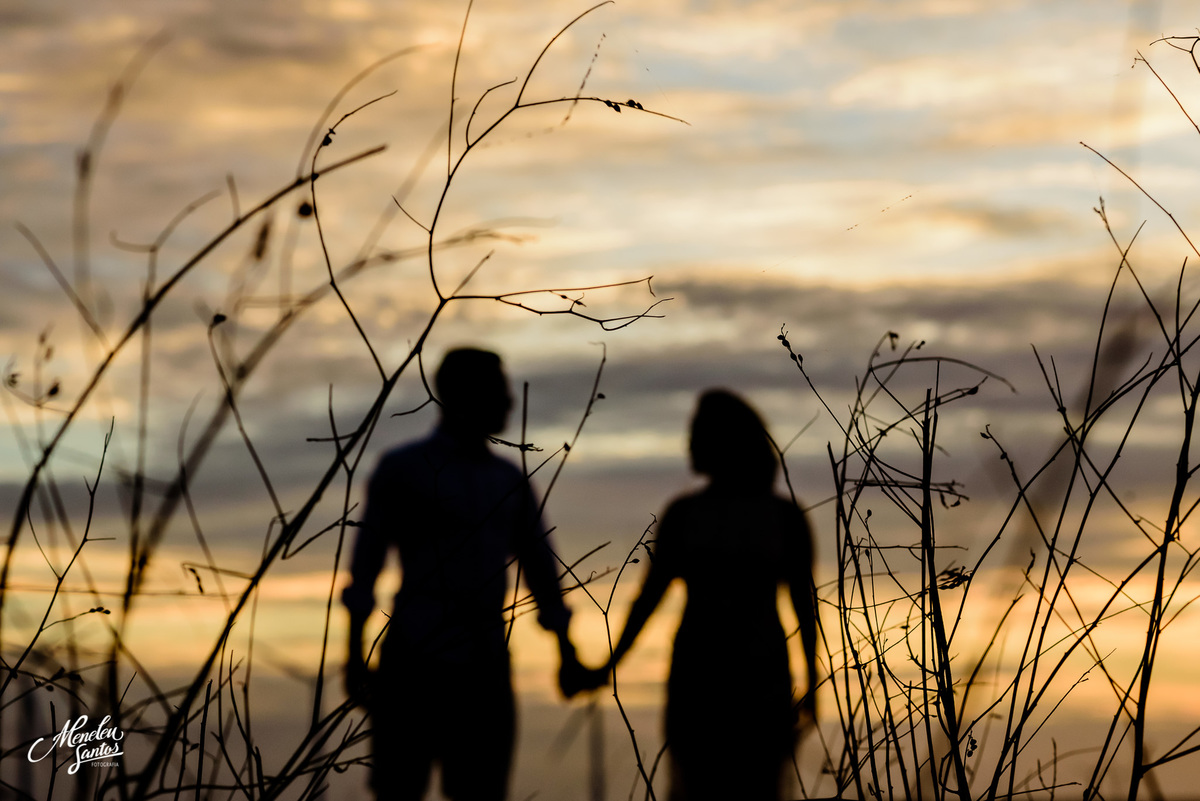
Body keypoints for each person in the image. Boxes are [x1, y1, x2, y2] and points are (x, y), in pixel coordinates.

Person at [342, 347, 586, 801]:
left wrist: (567, 652)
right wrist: (354, 654)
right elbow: (366, 564)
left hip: (485, 660)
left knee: (481, 790)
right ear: (464, 395)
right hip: (414, 658)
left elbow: (542, 570)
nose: (510, 403)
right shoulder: (404, 469)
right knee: (400, 789)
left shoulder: (508, 479)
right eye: (499, 391)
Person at [585, 389, 818, 801]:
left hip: (750, 682)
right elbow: (649, 599)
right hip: (706, 681)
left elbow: (804, 603)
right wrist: (609, 665)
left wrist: (609, 665)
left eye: (696, 434)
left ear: (722, 442)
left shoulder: (776, 517)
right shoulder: (695, 514)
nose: (688, 444)